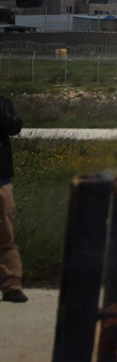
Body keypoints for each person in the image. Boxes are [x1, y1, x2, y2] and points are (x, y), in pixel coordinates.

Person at [0, 93, 25, 303]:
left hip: (1, 180)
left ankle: (11, 286)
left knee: (5, 235)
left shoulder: (2, 103)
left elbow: (13, 126)